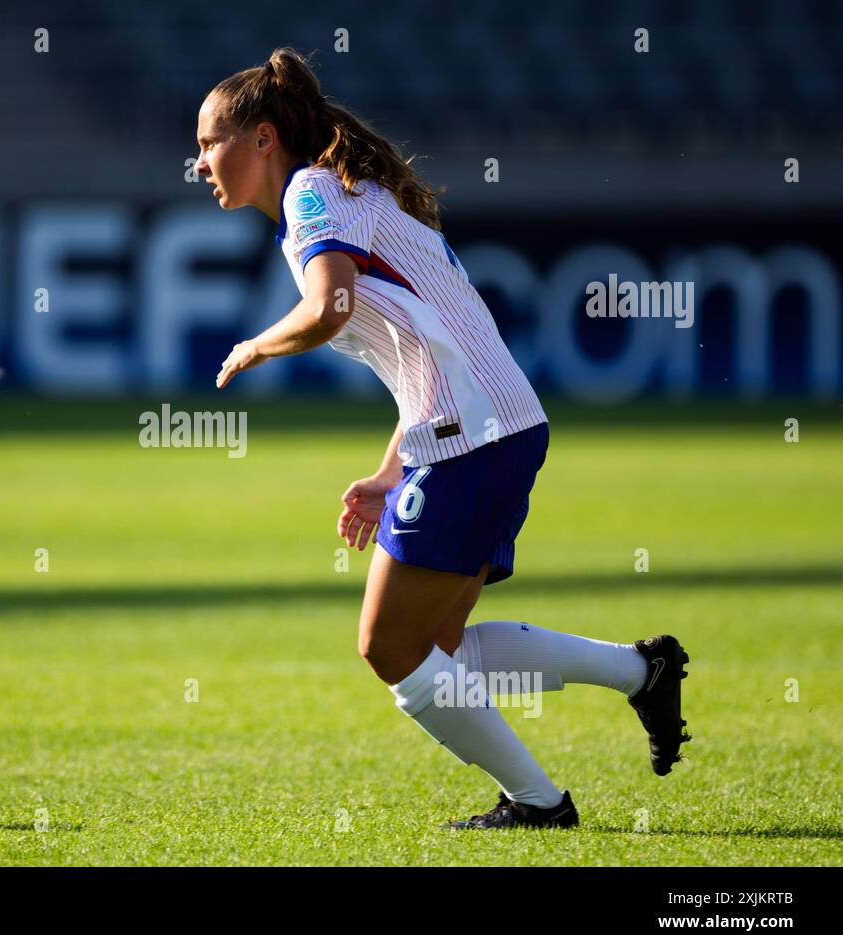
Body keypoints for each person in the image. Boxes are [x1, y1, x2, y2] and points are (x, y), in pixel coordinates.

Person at [198, 47, 690, 829]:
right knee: (443, 655)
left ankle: (540, 803)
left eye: (208, 143)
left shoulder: (312, 197)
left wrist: (258, 345)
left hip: (475, 439)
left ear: (262, 138)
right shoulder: (349, 192)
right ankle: (642, 671)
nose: (200, 163)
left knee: (388, 647)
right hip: (491, 428)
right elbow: (429, 348)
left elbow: (328, 309)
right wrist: (391, 474)